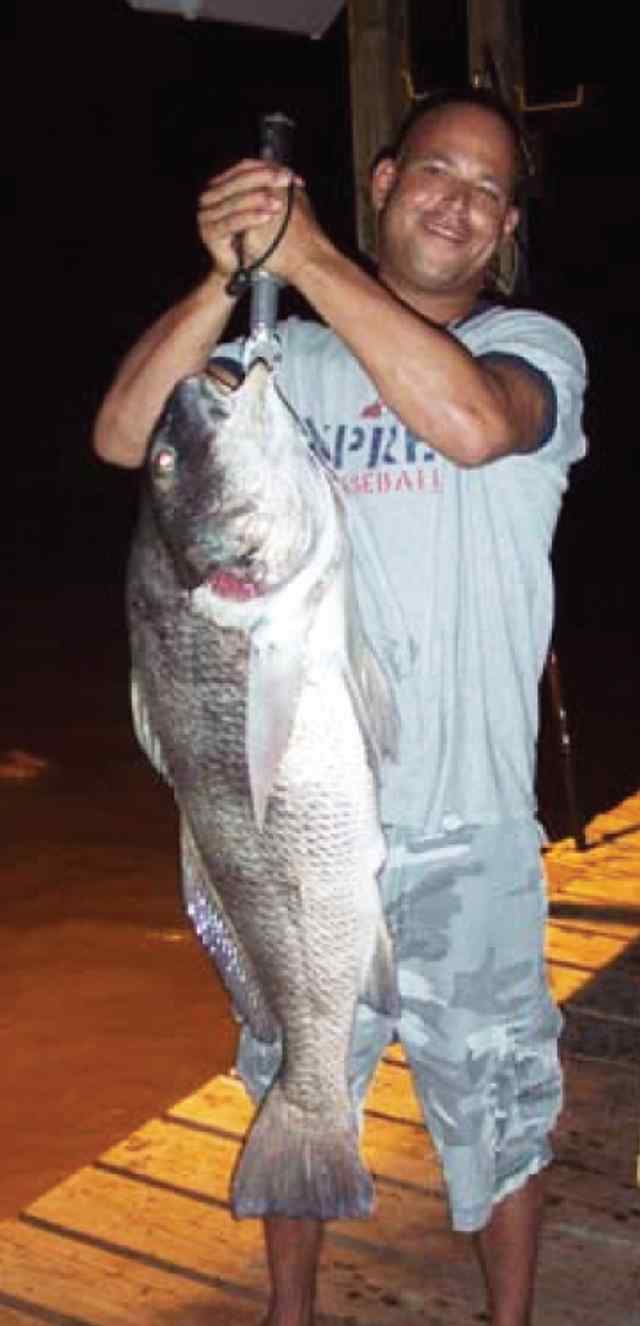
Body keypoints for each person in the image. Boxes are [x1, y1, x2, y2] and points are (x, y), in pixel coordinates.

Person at [94, 88, 587, 1326]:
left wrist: (302, 254)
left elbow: (473, 427)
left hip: (468, 827)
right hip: (300, 822)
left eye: (484, 188)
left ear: (507, 223)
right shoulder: (283, 366)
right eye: (433, 171)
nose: (454, 202)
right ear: (381, 180)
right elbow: (125, 438)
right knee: (294, 1068)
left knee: (500, 1104)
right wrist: (228, 276)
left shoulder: (532, 352)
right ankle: (290, 1317)